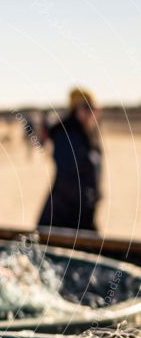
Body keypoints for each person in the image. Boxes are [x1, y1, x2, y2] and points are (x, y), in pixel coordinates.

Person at [38, 88, 102, 231]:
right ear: (77, 110)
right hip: (63, 219)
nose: (92, 113)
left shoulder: (86, 134)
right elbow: (69, 179)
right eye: (87, 108)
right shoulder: (67, 136)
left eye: (93, 108)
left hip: (81, 216)